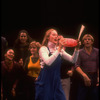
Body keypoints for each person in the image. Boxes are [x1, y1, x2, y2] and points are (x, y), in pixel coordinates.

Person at [35, 28, 80, 100]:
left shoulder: (59, 50)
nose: (56, 36)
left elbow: (73, 60)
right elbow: (48, 62)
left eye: (57, 35)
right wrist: (59, 49)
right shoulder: (43, 49)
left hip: (56, 81)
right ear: (48, 37)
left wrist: (77, 49)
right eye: (53, 35)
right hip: (45, 81)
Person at [75, 34, 99, 100]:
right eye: (85, 39)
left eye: (89, 39)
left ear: (92, 42)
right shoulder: (79, 52)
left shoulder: (97, 51)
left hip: (94, 76)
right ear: (83, 42)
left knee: (94, 96)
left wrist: (98, 77)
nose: (87, 41)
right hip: (83, 76)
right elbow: (76, 65)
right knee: (81, 97)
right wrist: (84, 75)